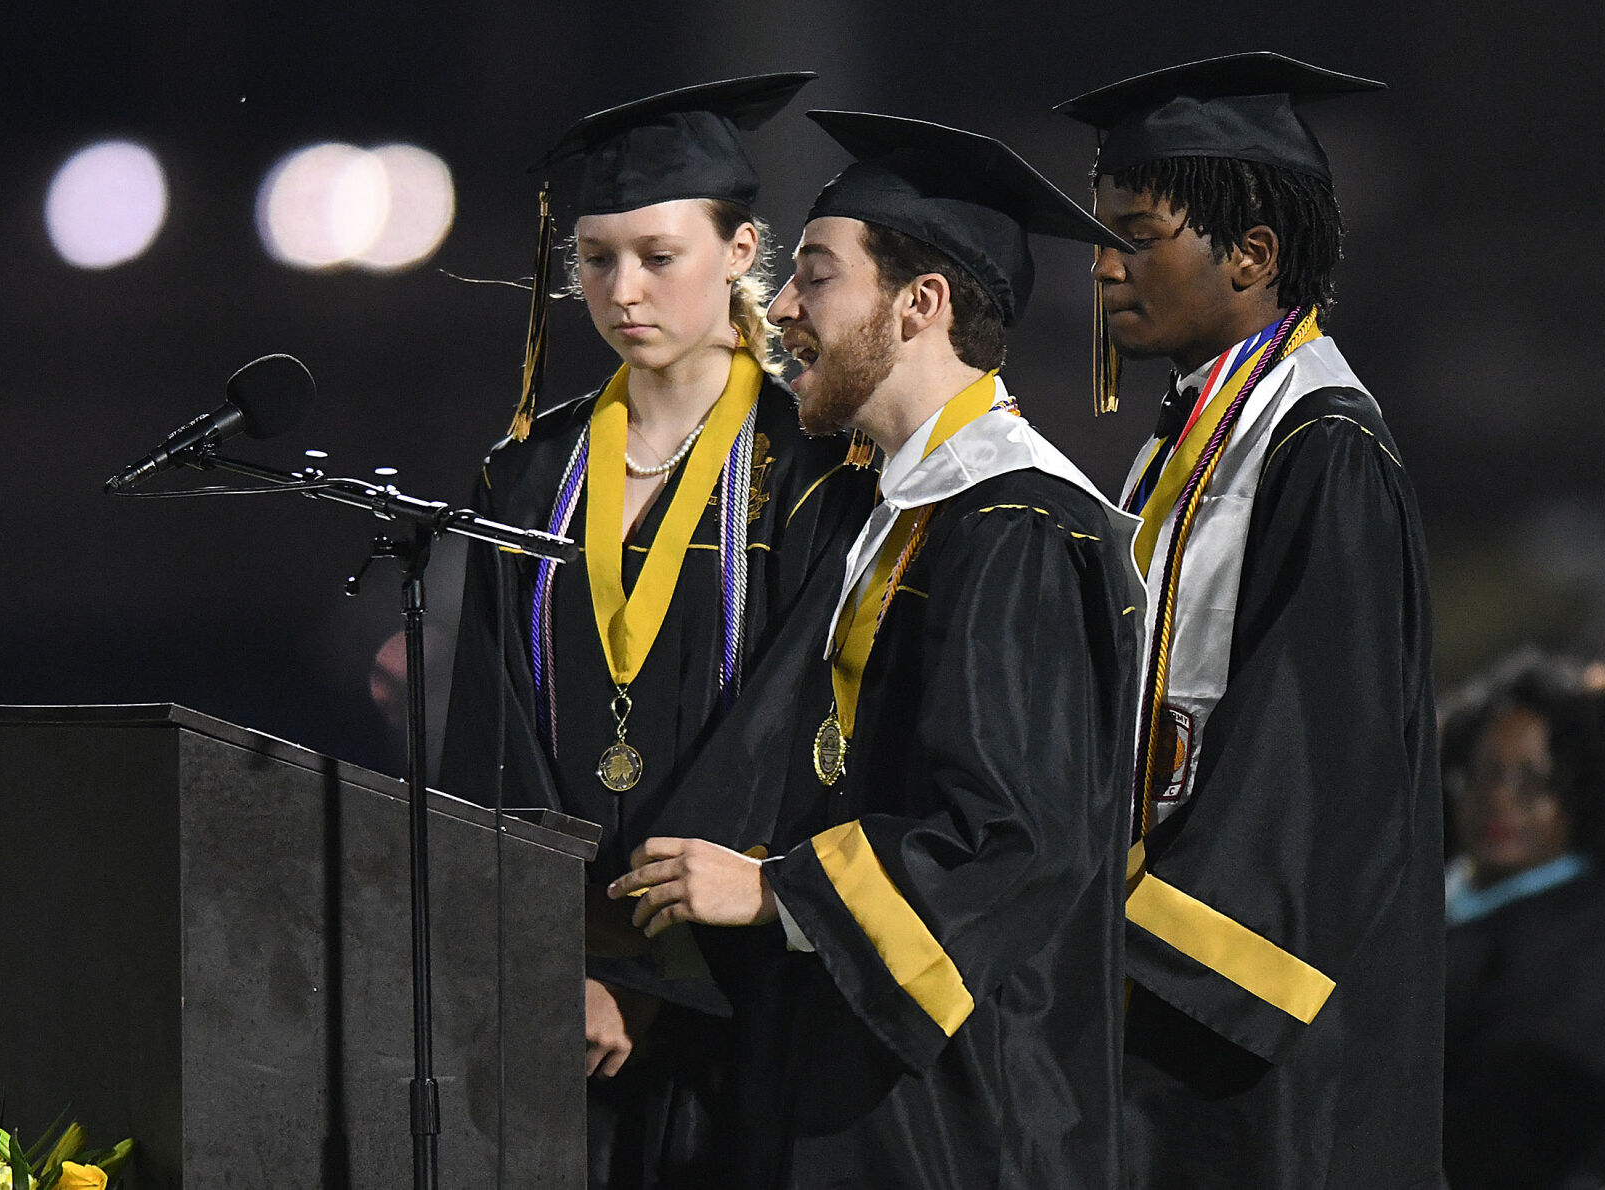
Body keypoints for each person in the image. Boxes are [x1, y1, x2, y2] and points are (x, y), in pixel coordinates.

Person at [611, 111, 1145, 1187]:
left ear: (920, 304)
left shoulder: (1020, 528)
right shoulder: (885, 514)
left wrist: (779, 892)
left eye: (815, 276)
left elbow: (1014, 836)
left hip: (964, 1115)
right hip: (846, 1088)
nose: (782, 307)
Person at [438, 74, 874, 1189]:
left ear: (740, 253)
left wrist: (648, 967)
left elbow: (786, 731)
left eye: (658, 255)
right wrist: (562, 957)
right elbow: (491, 739)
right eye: (595, 258)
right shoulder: (528, 474)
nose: (622, 288)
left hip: (742, 990)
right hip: (558, 997)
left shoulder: (817, 480)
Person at [1056, 52, 1445, 1188]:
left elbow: (1314, 766)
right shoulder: (1185, 444)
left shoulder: (1326, 449)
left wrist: (1126, 973)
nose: (1105, 267)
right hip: (1164, 1025)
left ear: (1253, 255)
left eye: (1137, 234)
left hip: (1257, 1056)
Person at [1441, 652, 1605, 1190]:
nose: (1500, 801)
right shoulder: (1420, 890)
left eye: (1533, 783)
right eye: (1485, 773)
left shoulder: (1589, 946)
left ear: (1579, 796)